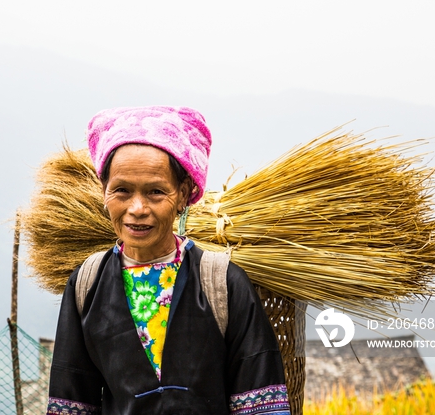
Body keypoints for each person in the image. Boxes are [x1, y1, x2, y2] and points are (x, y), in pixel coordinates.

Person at [46, 106, 290, 414]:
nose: (137, 208)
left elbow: (261, 403)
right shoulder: (87, 284)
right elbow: (72, 402)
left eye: (156, 192)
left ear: (184, 194)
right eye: (121, 190)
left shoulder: (222, 283)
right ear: (103, 191)